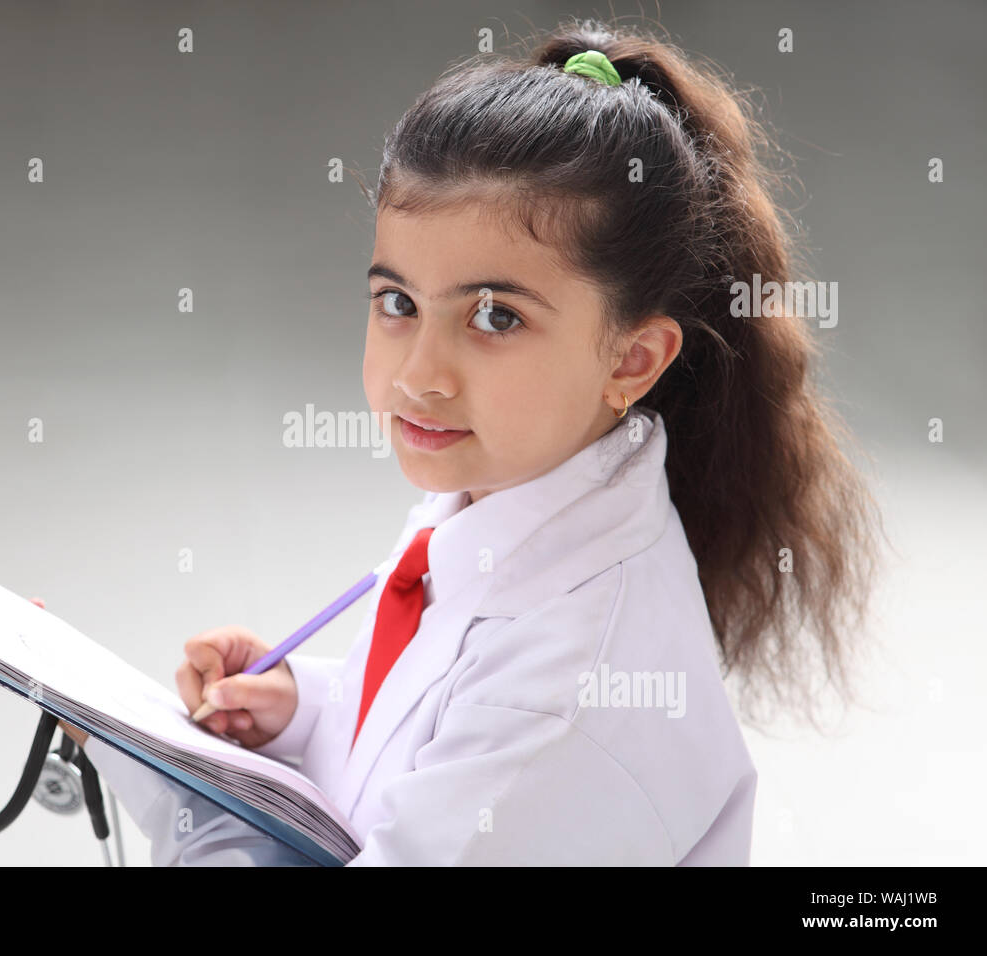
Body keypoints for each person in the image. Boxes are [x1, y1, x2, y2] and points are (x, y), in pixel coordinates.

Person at [57, 18, 884, 865]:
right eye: (398, 303)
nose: (421, 375)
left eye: (496, 317)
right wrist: (309, 711)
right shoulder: (505, 496)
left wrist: (156, 770)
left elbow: (500, 742)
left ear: (631, 360)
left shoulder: (564, 706)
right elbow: (448, 723)